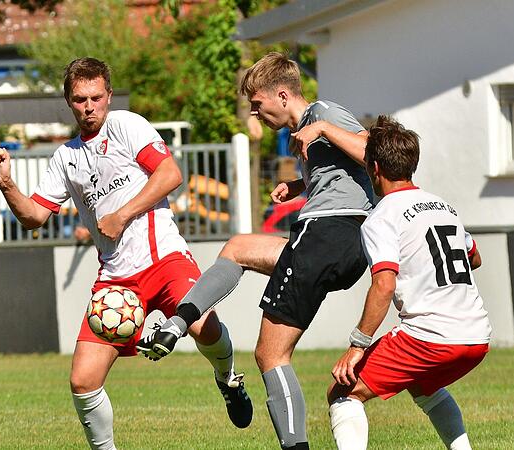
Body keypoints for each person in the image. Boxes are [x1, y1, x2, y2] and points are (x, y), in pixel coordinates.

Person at [0, 57, 252, 450]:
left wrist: (122, 214)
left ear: (108, 95)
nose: (89, 106)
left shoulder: (127, 125)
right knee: (83, 380)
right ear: (68, 101)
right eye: (80, 99)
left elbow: (170, 174)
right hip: (116, 280)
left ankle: (227, 378)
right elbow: (34, 217)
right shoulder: (66, 158)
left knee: (202, 326)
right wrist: (7, 184)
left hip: (165, 260)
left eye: (96, 97)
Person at [137, 52, 374, 450]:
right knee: (238, 247)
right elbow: (347, 176)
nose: (254, 114)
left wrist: (324, 129)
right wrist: (301, 188)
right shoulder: (308, 134)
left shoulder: (323, 113)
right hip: (342, 241)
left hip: (326, 234)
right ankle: (180, 323)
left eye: (257, 104)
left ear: (282, 95)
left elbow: (372, 152)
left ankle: (294, 446)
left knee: (270, 354)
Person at [327, 115, 490, 450]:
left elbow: (384, 286)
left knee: (343, 391)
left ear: (373, 167)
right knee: (423, 385)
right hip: (477, 334)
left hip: (432, 337)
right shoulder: (445, 207)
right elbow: (474, 258)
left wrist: (357, 346)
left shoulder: (382, 216)